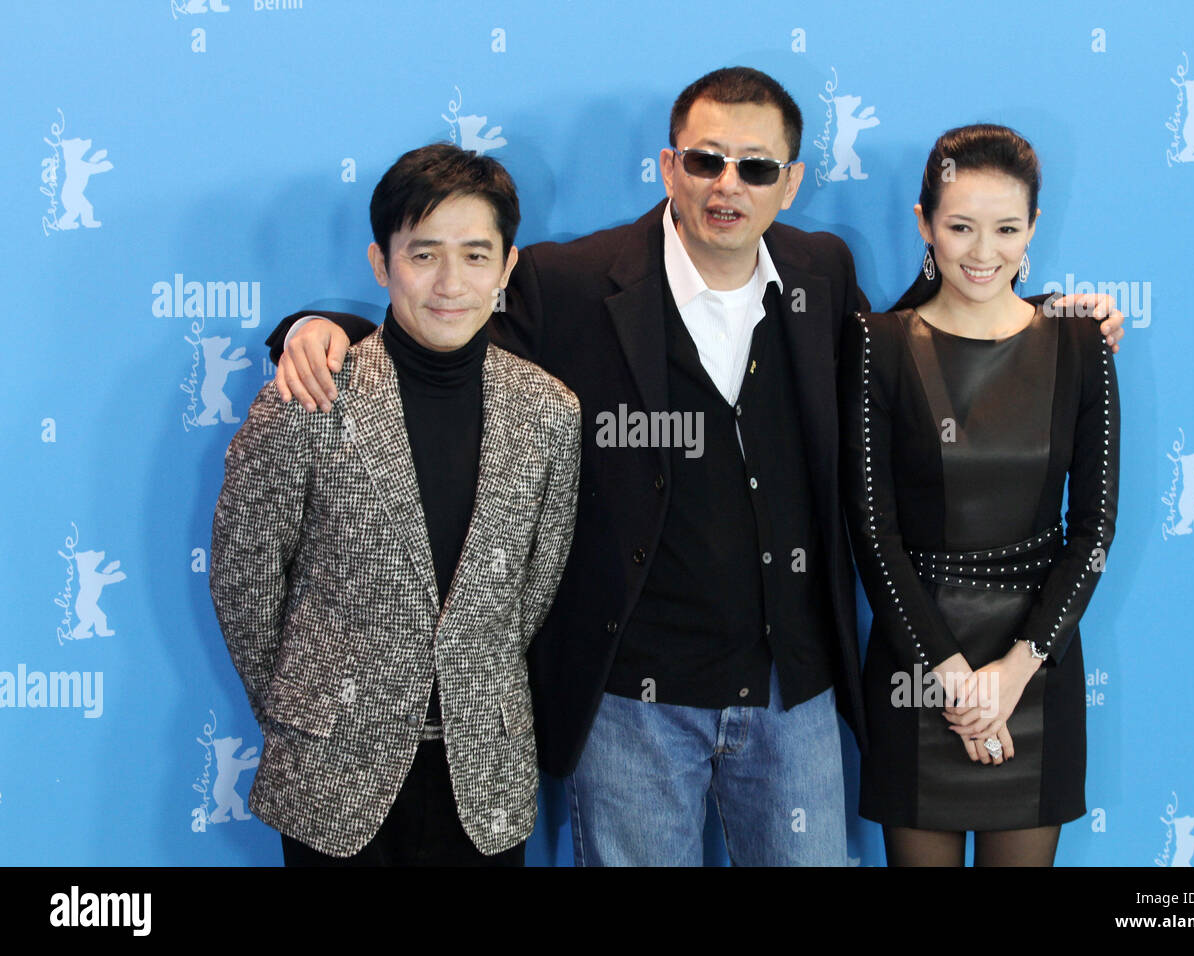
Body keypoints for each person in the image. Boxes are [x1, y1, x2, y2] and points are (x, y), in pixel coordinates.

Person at [269, 69, 1126, 866]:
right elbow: (443, 333)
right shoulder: (575, 282)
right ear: (669, 166)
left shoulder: (821, 274)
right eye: (707, 160)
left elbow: (912, 347)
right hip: (630, 706)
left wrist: (1040, 320)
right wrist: (325, 329)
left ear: (789, 184)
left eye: (756, 167)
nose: (729, 186)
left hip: (796, 696)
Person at [209, 143, 581, 866]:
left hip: (485, 774)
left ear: (507, 268)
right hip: (332, 771)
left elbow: (533, 589)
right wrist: (303, 705)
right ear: (382, 264)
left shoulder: (549, 413)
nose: (450, 282)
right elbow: (244, 578)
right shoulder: (308, 398)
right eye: (423, 255)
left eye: (476, 256)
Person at [839, 124, 1119, 866]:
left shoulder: (1080, 341)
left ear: (1033, 231)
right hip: (918, 661)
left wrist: (1017, 670)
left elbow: (1091, 530)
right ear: (924, 224)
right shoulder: (879, 343)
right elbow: (873, 531)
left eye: (1006, 228)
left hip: (1038, 661)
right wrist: (957, 683)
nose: (983, 251)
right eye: (960, 226)